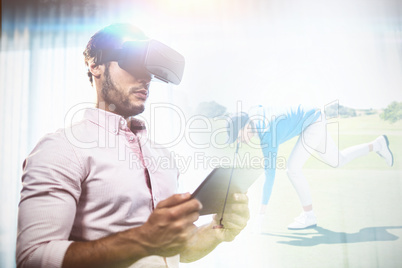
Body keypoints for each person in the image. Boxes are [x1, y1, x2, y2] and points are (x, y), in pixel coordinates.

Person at [16, 23, 249, 268]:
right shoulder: (61, 149)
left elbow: (171, 252)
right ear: (95, 65)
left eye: (149, 67)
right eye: (134, 61)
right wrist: (145, 239)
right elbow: (33, 258)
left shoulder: (162, 156)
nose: (146, 76)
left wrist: (216, 231)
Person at [227, 104, 393, 230]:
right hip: (315, 117)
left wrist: (260, 215)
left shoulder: (267, 135)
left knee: (292, 169)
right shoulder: (255, 115)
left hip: (313, 122)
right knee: (337, 160)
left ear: (245, 127)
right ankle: (377, 145)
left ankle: (309, 216)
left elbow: (270, 176)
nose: (237, 141)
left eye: (237, 136)